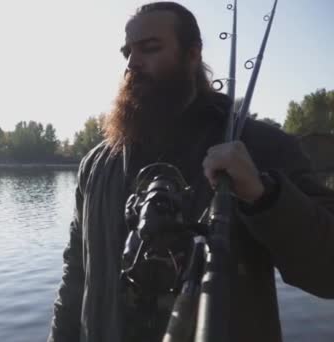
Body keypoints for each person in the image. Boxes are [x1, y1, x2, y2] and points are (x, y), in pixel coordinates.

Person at [47, 2, 334, 342]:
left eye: (150, 48)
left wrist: (264, 197)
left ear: (192, 54)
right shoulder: (97, 164)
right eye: (127, 52)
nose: (132, 63)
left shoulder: (257, 146)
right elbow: (76, 273)